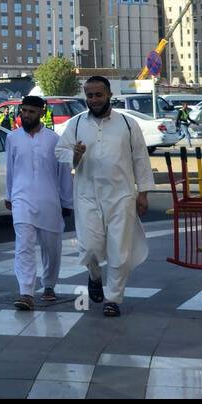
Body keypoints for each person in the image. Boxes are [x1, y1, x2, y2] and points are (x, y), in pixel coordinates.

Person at [55, 75, 155, 317]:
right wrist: (75, 156)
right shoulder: (77, 124)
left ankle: (113, 298)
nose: (94, 99)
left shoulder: (128, 124)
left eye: (98, 94)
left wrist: (143, 193)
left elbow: (140, 159)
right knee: (89, 247)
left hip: (121, 196)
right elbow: (60, 152)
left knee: (119, 249)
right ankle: (94, 276)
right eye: (89, 95)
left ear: (109, 95)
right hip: (87, 195)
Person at [4, 96, 73, 311]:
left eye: (31, 112)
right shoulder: (12, 138)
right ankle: (26, 292)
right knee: (23, 246)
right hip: (21, 199)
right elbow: (10, 170)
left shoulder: (54, 139)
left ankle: (49, 285)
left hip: (49, 200)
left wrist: (67, 201)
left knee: (52, 248)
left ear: (41, 113)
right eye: (23, 110)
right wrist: (9, 195)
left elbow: (64, 174)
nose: (26, 115)